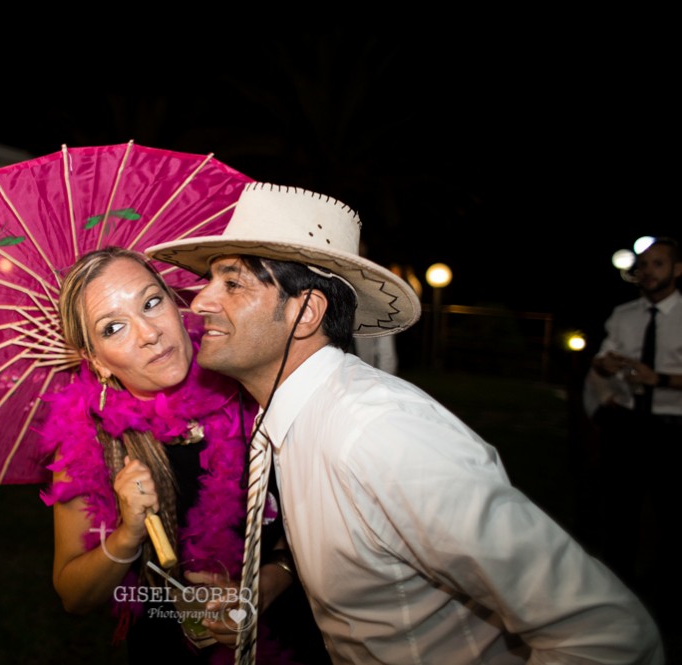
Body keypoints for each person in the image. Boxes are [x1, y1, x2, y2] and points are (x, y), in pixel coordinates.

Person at [147, 183, 664, 664]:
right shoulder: (287, 415)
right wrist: (269, 581)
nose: (200, 300)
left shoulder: (378, 431)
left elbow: (606, 631)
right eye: (209, 279)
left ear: (305, 313)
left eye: (231, 282)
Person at [38, 247, 326, 664]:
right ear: (96, 362)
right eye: (114, 327)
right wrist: (128, 533)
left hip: (291, 635)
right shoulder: (90, 443)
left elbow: (325, 522)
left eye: (152, 303)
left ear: (178, 305)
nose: (148, 333)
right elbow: (73, 596)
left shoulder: (254, 381)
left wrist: (263, 587)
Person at [582, 236, 681, 627]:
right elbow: (603, 358)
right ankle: (619, 599)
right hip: (627, 427)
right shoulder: (623, 314)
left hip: (672, 430)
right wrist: (605, 368)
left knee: (671, 519)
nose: (648, 271)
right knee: (618, 514)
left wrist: (659, 379)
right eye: (644, 264)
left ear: (676, 270)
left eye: (658, 264)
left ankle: (669, 605)